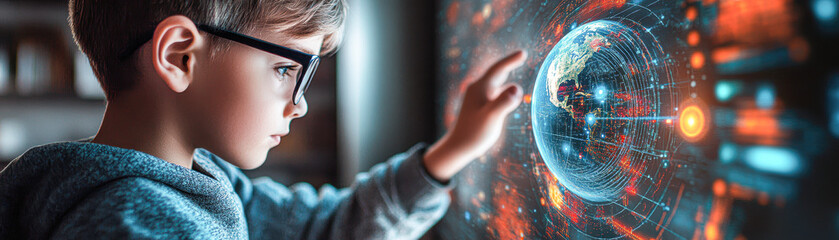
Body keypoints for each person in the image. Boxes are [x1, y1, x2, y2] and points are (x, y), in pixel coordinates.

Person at [0, 1, 526, 239]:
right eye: (284, 68)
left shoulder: (203, 177)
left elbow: (329, 228)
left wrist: (454, 148)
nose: (298, 104)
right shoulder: (134, 220)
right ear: (180, 55)